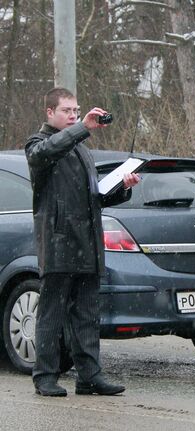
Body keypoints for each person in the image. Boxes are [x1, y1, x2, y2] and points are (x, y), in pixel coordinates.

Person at [25, 87, 140, 396]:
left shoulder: (81, 149)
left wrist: (123, 186)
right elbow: (47, 151)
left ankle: (89, 376)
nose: (74, 116)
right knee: (52, 313)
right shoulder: (38, 145)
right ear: (50, 113)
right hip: (58, 241)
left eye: (76, 111)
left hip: (87, 243)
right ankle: (45, 376)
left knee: (87, 315)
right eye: (67, 111)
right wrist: (82, 128)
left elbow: (95, 198)